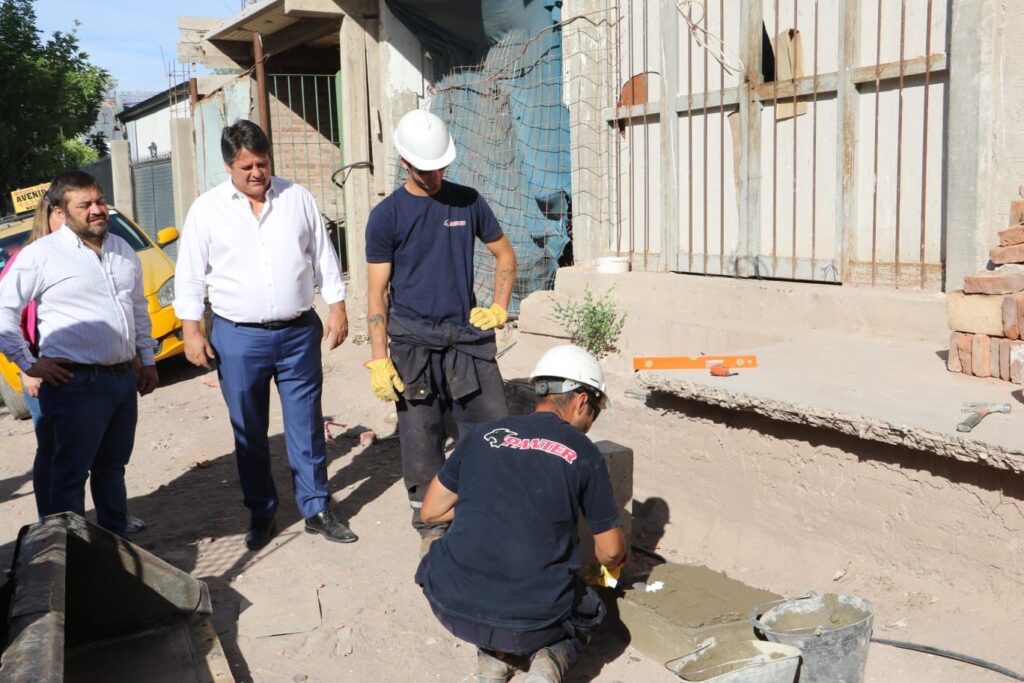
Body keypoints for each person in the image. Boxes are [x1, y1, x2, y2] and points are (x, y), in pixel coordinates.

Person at [174, 119, 355, 550]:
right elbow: (190, 274)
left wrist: (338, 307)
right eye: (246, 167)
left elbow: (323, 255)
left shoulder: (297, 198)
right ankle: (262, 512)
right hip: (238, 338)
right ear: (228, 167)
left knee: (307, 422)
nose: (256, 173)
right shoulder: (207, 209)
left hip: (297, 334)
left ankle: (316, 507)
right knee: (249, 429)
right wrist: (191, 329)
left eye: (262, 163)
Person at [415, 344, 626, 683]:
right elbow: (611, 550)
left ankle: (493, 658)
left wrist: (486, 505)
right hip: (532, 618)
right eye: (595, 410)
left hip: (450, 605)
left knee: (441, 544)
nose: (591, 421)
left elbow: (432, 510)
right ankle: (549, 664)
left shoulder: (485, 434)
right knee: (590, 611)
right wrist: (613, 564)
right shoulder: (583, 452)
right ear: (582, 400)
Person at [364, 109, 517, 553]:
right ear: (405, 162)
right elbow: (377, 294)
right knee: (421, 434)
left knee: (492, 425)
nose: (433, 176)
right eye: (424, 168)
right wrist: (378, 357)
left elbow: (505, 257)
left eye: (440, 167)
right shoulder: (387, 216)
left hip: (465, 336)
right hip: (412, 339)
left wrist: (499, 307)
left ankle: (488, 505)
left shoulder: (468, 201)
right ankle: (430, 521)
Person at [0, 170, 158, 537]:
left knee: (112, 468)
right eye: (84, 204)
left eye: (99, 201)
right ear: (61, 210)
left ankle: (115, 546)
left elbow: (137, 309)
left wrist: (146, 360)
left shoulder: (121, 249)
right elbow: (4, 310)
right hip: (74, 386)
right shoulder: (41, 255)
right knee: (69, 474)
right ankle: (69, 558)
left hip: (121, 381)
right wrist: (27, 362)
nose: (96, 210)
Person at [0, 190, 62, 518]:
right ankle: (49, 522)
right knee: (51, 448)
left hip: (78, 370)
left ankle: (103, 521)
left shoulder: (86, 254)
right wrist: (26, 367)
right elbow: (8, 319)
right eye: (61, 214)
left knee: (89, 448)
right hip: (41, 368)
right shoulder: (25, 260)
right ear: (48, 216)